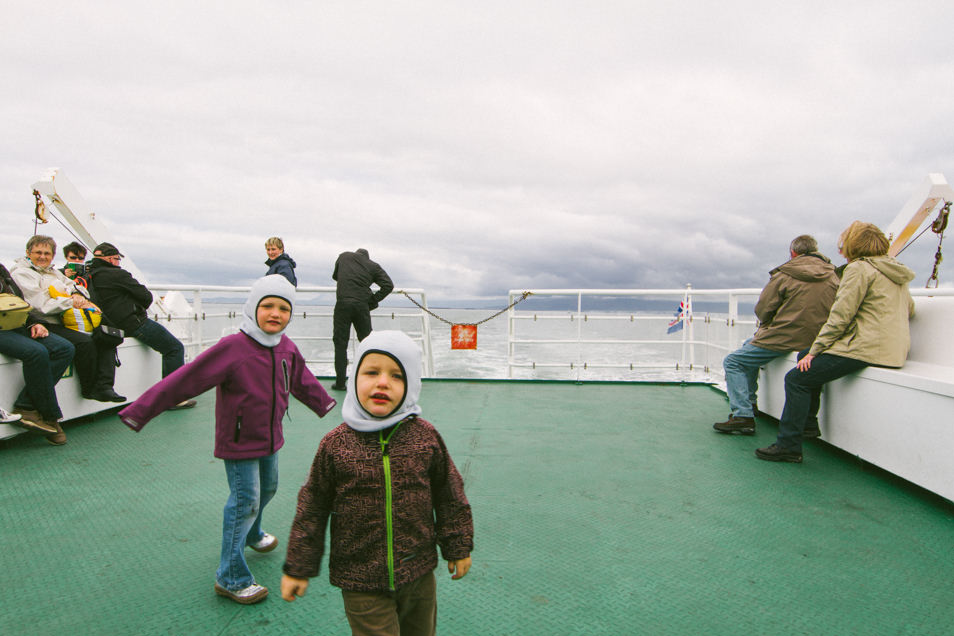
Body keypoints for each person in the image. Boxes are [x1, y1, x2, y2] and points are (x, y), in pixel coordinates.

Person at [118, 275, 337, 604]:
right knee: (244, 501)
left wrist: (326, 403)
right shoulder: (233, 348)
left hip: (270, 437)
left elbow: (302, 379)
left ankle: (252, 534)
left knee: (269, 488)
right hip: (239, 442)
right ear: (252, 308)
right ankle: (230, 576)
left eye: (283, 308)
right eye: (267, 306)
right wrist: (141, 410)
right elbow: (186, 379)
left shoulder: (285, 346)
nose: (275, 314)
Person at [281, 330, 474, 636]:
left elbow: (449, 493)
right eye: (371, 372)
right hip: (361, 581)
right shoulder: (335, 445)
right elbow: (312, 507)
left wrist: (457, 545)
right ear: (355, 377)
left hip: (418, 574)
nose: (382, 382)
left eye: (397, 376)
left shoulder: (425, 438)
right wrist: (298, 566)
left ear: (411, 385)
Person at [756, 222, 915, 463]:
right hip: (893, 349)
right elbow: (909, 310)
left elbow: (840, 316)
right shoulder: (894, 270)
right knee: (803, 355)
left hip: (866, 348)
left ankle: (788, 446)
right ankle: (808, 424)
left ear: (853, 245)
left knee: (796, 378)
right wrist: (811, 352)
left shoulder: (859, 269)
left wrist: (817, 350)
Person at [713, 235, 839, 436]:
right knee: (748, 344)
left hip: (783, 338)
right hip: (816, 339)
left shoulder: (785, 274)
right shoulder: (833, 276)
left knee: (733, 361)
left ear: (793, 253)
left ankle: (743, 415)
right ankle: (751, 405)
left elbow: (763, 310)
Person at [10, 235, 124, 403]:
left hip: (63, 319)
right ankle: (90, 388)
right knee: (84, 343)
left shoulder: (53, 272)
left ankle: (105, 386)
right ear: (28, 252)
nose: (43, 257)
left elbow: (77, 288)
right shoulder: (22, 274)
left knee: (106, 336)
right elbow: (40, 304)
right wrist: (70, 301)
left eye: (47, 253)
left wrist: (77, 294)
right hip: (40, 321)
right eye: (38, 252)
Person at [87, 242, 196, 409]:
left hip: (108, 325)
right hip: (133, 323)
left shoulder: (89, 275)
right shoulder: (117, 274)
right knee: (174, 348)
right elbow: (145, 296)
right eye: (117, 259)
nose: (118, 262)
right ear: (110, 259)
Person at [0, 262, 74, 443]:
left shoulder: (1, 269)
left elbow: (21, 302)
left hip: (15, 324)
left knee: (64, 348)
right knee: (37, 352)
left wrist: (34, 322)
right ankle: (51, 417)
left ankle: (26, 406)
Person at [331, 248, 393, 390]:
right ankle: (373, 380)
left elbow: (336, 277)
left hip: (343, 304)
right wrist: (372, 301)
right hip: (361, 307)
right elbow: (388, 285)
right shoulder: (373, 266)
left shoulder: (344, 256)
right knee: (368, 343)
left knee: (340, 345)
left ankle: (340, 383)